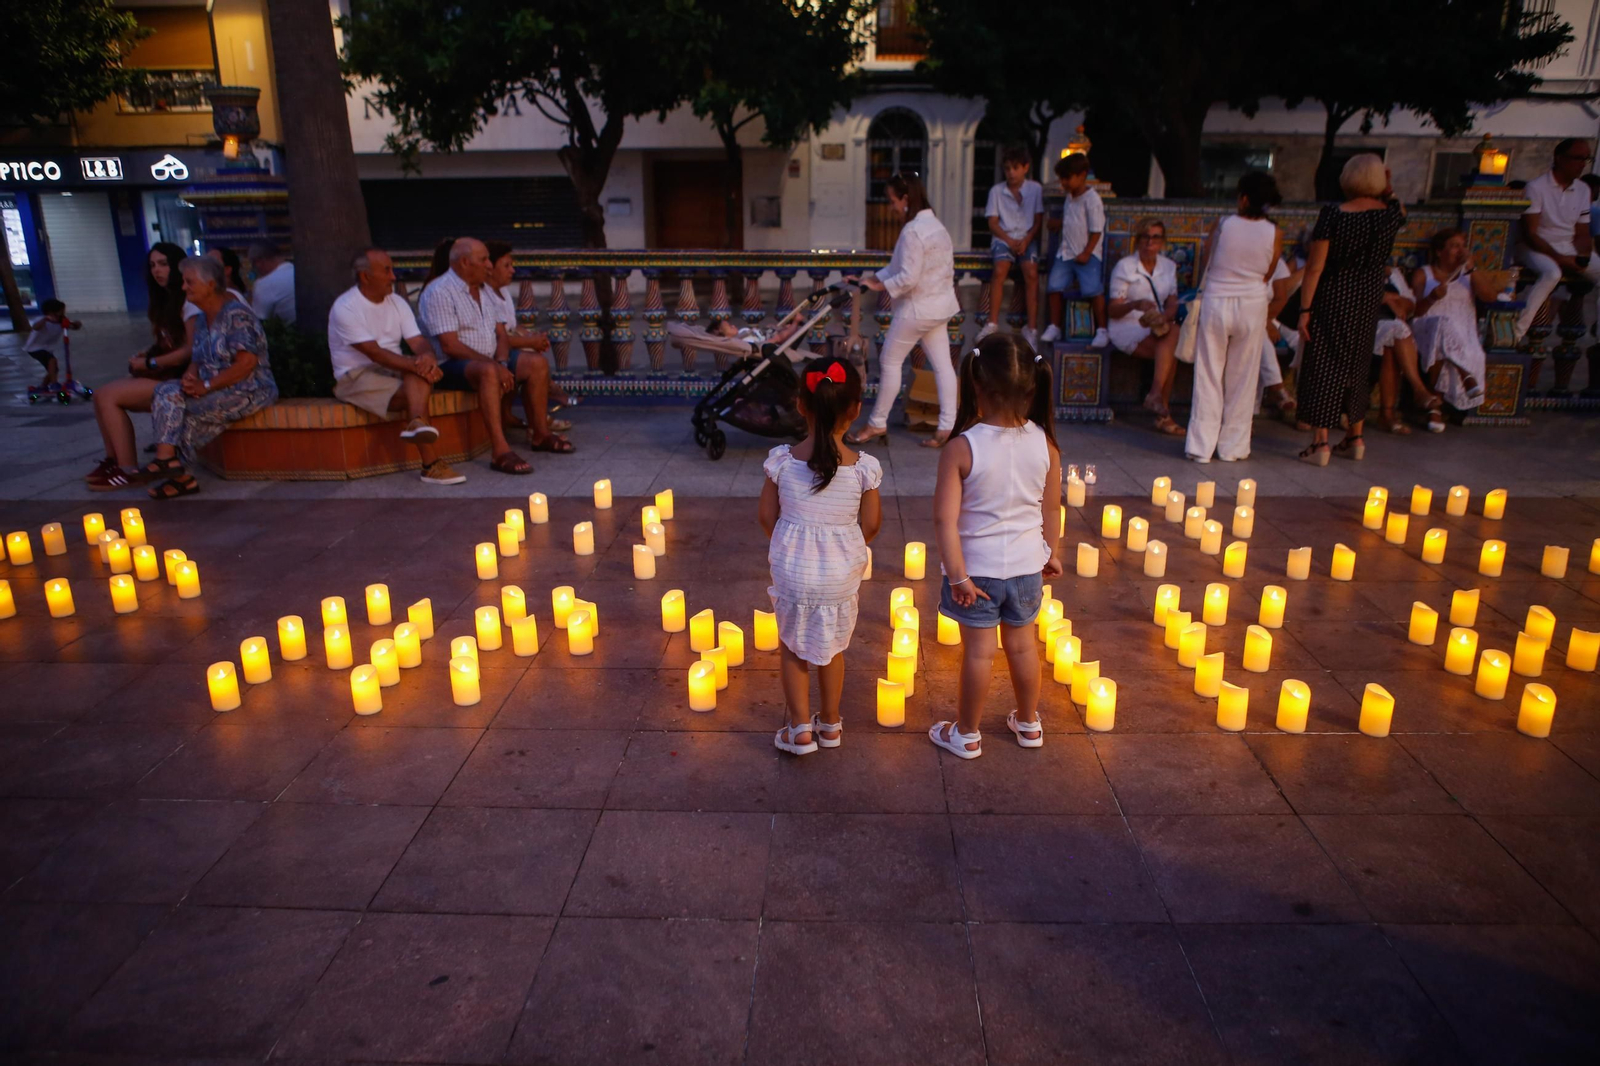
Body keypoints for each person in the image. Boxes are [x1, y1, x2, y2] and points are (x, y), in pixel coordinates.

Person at [929, 333, 1063, 760]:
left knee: (979, 656)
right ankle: (1028, 723)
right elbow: (1052, 510)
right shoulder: (1045, 443)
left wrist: (958, 576)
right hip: (1026, 568)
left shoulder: (962, 448)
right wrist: (1051, 553)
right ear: (1030, 389)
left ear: (976, 386)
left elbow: (944, 520)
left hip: (978, 573)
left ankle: (966, 734)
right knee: (1024, 647)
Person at [760, 356, 883, 755]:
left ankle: (799, 730)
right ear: (856, 410)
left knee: (794, 648)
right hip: (839, 574)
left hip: (793, 570)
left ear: (800, 405)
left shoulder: (782, 461)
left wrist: (790, 545)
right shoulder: (863, 468)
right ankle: (830, 725)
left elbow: (766, 517)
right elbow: (873, 525)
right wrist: (844, 545)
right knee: (832, 649)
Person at [419, 237, 572, 475]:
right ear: (464, 263)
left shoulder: (483, 290)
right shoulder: (440, 291)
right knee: (489, 372)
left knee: (536, 364)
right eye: (484, 260)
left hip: (488, 360)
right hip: (451, 366)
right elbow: (449, 346)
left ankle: (540, 433)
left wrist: (502, 362)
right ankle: (500, 451)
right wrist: (494, 365)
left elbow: (501, 334)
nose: (489, 265)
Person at [1295, 153, 1406, 466]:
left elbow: (1315, 268)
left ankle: (1321, 444)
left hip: (1334, 295)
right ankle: (1355, 438)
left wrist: (1305, 309)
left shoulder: (1333, 215)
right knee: (1358, 365)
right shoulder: (1389, 215)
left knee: (1324, 365)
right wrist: (1389, 187)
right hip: (1368, 297)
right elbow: (1400, 208)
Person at [139, 256, 278, 499]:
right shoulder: (203, 317)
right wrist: (191, 376)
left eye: (189, 282)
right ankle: (169, 462)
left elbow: (247, 363)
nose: (184, 287)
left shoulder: (236, 315)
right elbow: (198, 355)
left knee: (183, 411)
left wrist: (205, 386)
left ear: (211, 284)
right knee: (165, 392)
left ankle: (176, 471)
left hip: (249, 388)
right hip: (216, 387)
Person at [329, 248, 467, 485]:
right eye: (387, 271)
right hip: (355, 374)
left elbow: (418, 341)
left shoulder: (397, 302)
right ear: (365, 276)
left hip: (393, 367)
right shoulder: (345, 307)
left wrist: (427, 358)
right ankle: (430, 463)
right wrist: (420, 365)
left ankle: (417, 427)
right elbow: (374, 353)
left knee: (418, 375)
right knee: (418, 378)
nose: (394, 276)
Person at [843, 173, 960, 448]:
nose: (891, 206)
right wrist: (872, 280)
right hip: (939, 306)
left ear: (906, 199)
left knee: (889, 361)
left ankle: (877, 423)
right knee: (944, 367)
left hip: (918, 308)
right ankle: (947, 427)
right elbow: (899, 267)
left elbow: (906, 277)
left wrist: (878, 287)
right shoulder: (937, 227)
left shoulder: (912, 231)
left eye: (892, 200)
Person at [1187, 171, 1282, 463]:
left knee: (1208, 374)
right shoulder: (1274, 232)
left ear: (1243, 198)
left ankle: (1200, 448)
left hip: (1217, 302)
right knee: (1243, 377)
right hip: (1252, 305)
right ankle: (1233, 448)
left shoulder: (1223, 225)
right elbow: (1269, 271)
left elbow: (1207, 261)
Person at [85, 243, 196, 487]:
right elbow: (170, 344)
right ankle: (113, 461)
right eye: (153, 265)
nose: (157, 270)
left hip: (182, 380)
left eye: (164, 264)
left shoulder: (189, 301)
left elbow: (189, 350)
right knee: (99, 395)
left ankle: (126, 469)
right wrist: (147, 354)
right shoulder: (164, 302)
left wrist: (150, 362)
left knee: (108, 397)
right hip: (166, 375)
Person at [1514, 139, 1600, 343]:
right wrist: (1562, 259)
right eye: (1577, 158)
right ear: (1559, 159)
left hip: (1567, 245)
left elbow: (1582, 232)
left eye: (1585, 159)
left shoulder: (1583, 190)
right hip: (1535, 247)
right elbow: (1531, 234)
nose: (1582, 164)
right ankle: (1517, 331)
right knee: (1552, 273)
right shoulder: (1536, 187)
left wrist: (1582, 257)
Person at [484, 240, 573, 436]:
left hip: (505, 349)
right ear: (489, 268)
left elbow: (512, 327)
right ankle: (539, 421)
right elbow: (498, 337)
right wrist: (530, 342)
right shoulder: (484, 295)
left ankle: (536, 417)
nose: (512, 271)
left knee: (532, 351)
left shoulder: (504, 292)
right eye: (506, 266)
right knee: (533, 360)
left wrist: (533, 336)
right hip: (490, 352)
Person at [1106, 216, 1183, 435]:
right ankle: (1162, 411)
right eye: (1145, 237)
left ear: (1162, 242)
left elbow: (1172, 301)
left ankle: (1156, 397)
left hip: (1156, 326)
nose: (1150, 243)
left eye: (1156, 238)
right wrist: (1136, 304)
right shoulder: (1126, 267)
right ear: (1138, 240)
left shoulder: (1168, 266)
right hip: (1128, 325)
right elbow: (1113, 310)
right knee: (1171, 351)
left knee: (1172, 336)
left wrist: (1164, 316)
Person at [1411, 227, 1500, 415]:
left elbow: (1490, 297)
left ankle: (1435, 410)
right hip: (1426, 328)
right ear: (1438, 251)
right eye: (1453, 246)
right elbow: (1414, 312)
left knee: (1444, 348)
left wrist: (1472, 268)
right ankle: (1465, 374)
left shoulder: (1468, 275)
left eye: (1462, 246)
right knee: (1441, 326)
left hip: (1462, 333)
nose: (1460, 251)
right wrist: (1431, 298)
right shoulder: (1423, 274)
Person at [981, 145, 1045, 347]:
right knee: (999, 270)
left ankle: (1032, 328)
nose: (1011, 173)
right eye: (1007, 168)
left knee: (1031, 273)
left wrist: (1025, 240)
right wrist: (1009, 240)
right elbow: (992, 222)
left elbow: (1038, 221)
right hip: (1004, 238)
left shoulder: (1035, 189)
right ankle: (992, 323)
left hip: (1027, 237)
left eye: (1015, 168)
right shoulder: (997, 191)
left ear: (1025, 168)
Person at [1045, 154, 1108, 348]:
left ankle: (1102, 329)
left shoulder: (1092, 200)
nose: (1064, 183)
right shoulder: (1070, 197)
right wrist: (1058, 223)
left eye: (1067, 178)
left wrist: (1087, 252)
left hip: (1086, 254)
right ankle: (1054, 326)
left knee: (1093, 290)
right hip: (1066, 253)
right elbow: (1073, 220)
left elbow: (1097, 230)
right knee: (1054, 287)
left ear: (1082, 175)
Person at [24, 298, 81, 392]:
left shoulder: (61, 321)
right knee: (52, 360)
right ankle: (54, 384)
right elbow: (35, 327)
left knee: (54, 369)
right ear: (51, 312)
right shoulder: (42, 320)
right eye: (60, 311)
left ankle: (42, 387)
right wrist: (45, 319)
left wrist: (76, 324)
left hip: (47, 348)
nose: (63, 313)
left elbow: (72, 326)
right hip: (34, 348)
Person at [248, 240, 295, 324]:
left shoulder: (263, 284)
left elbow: (259, 321)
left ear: (259, 262)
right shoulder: (296, 270)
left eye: (253, 264)